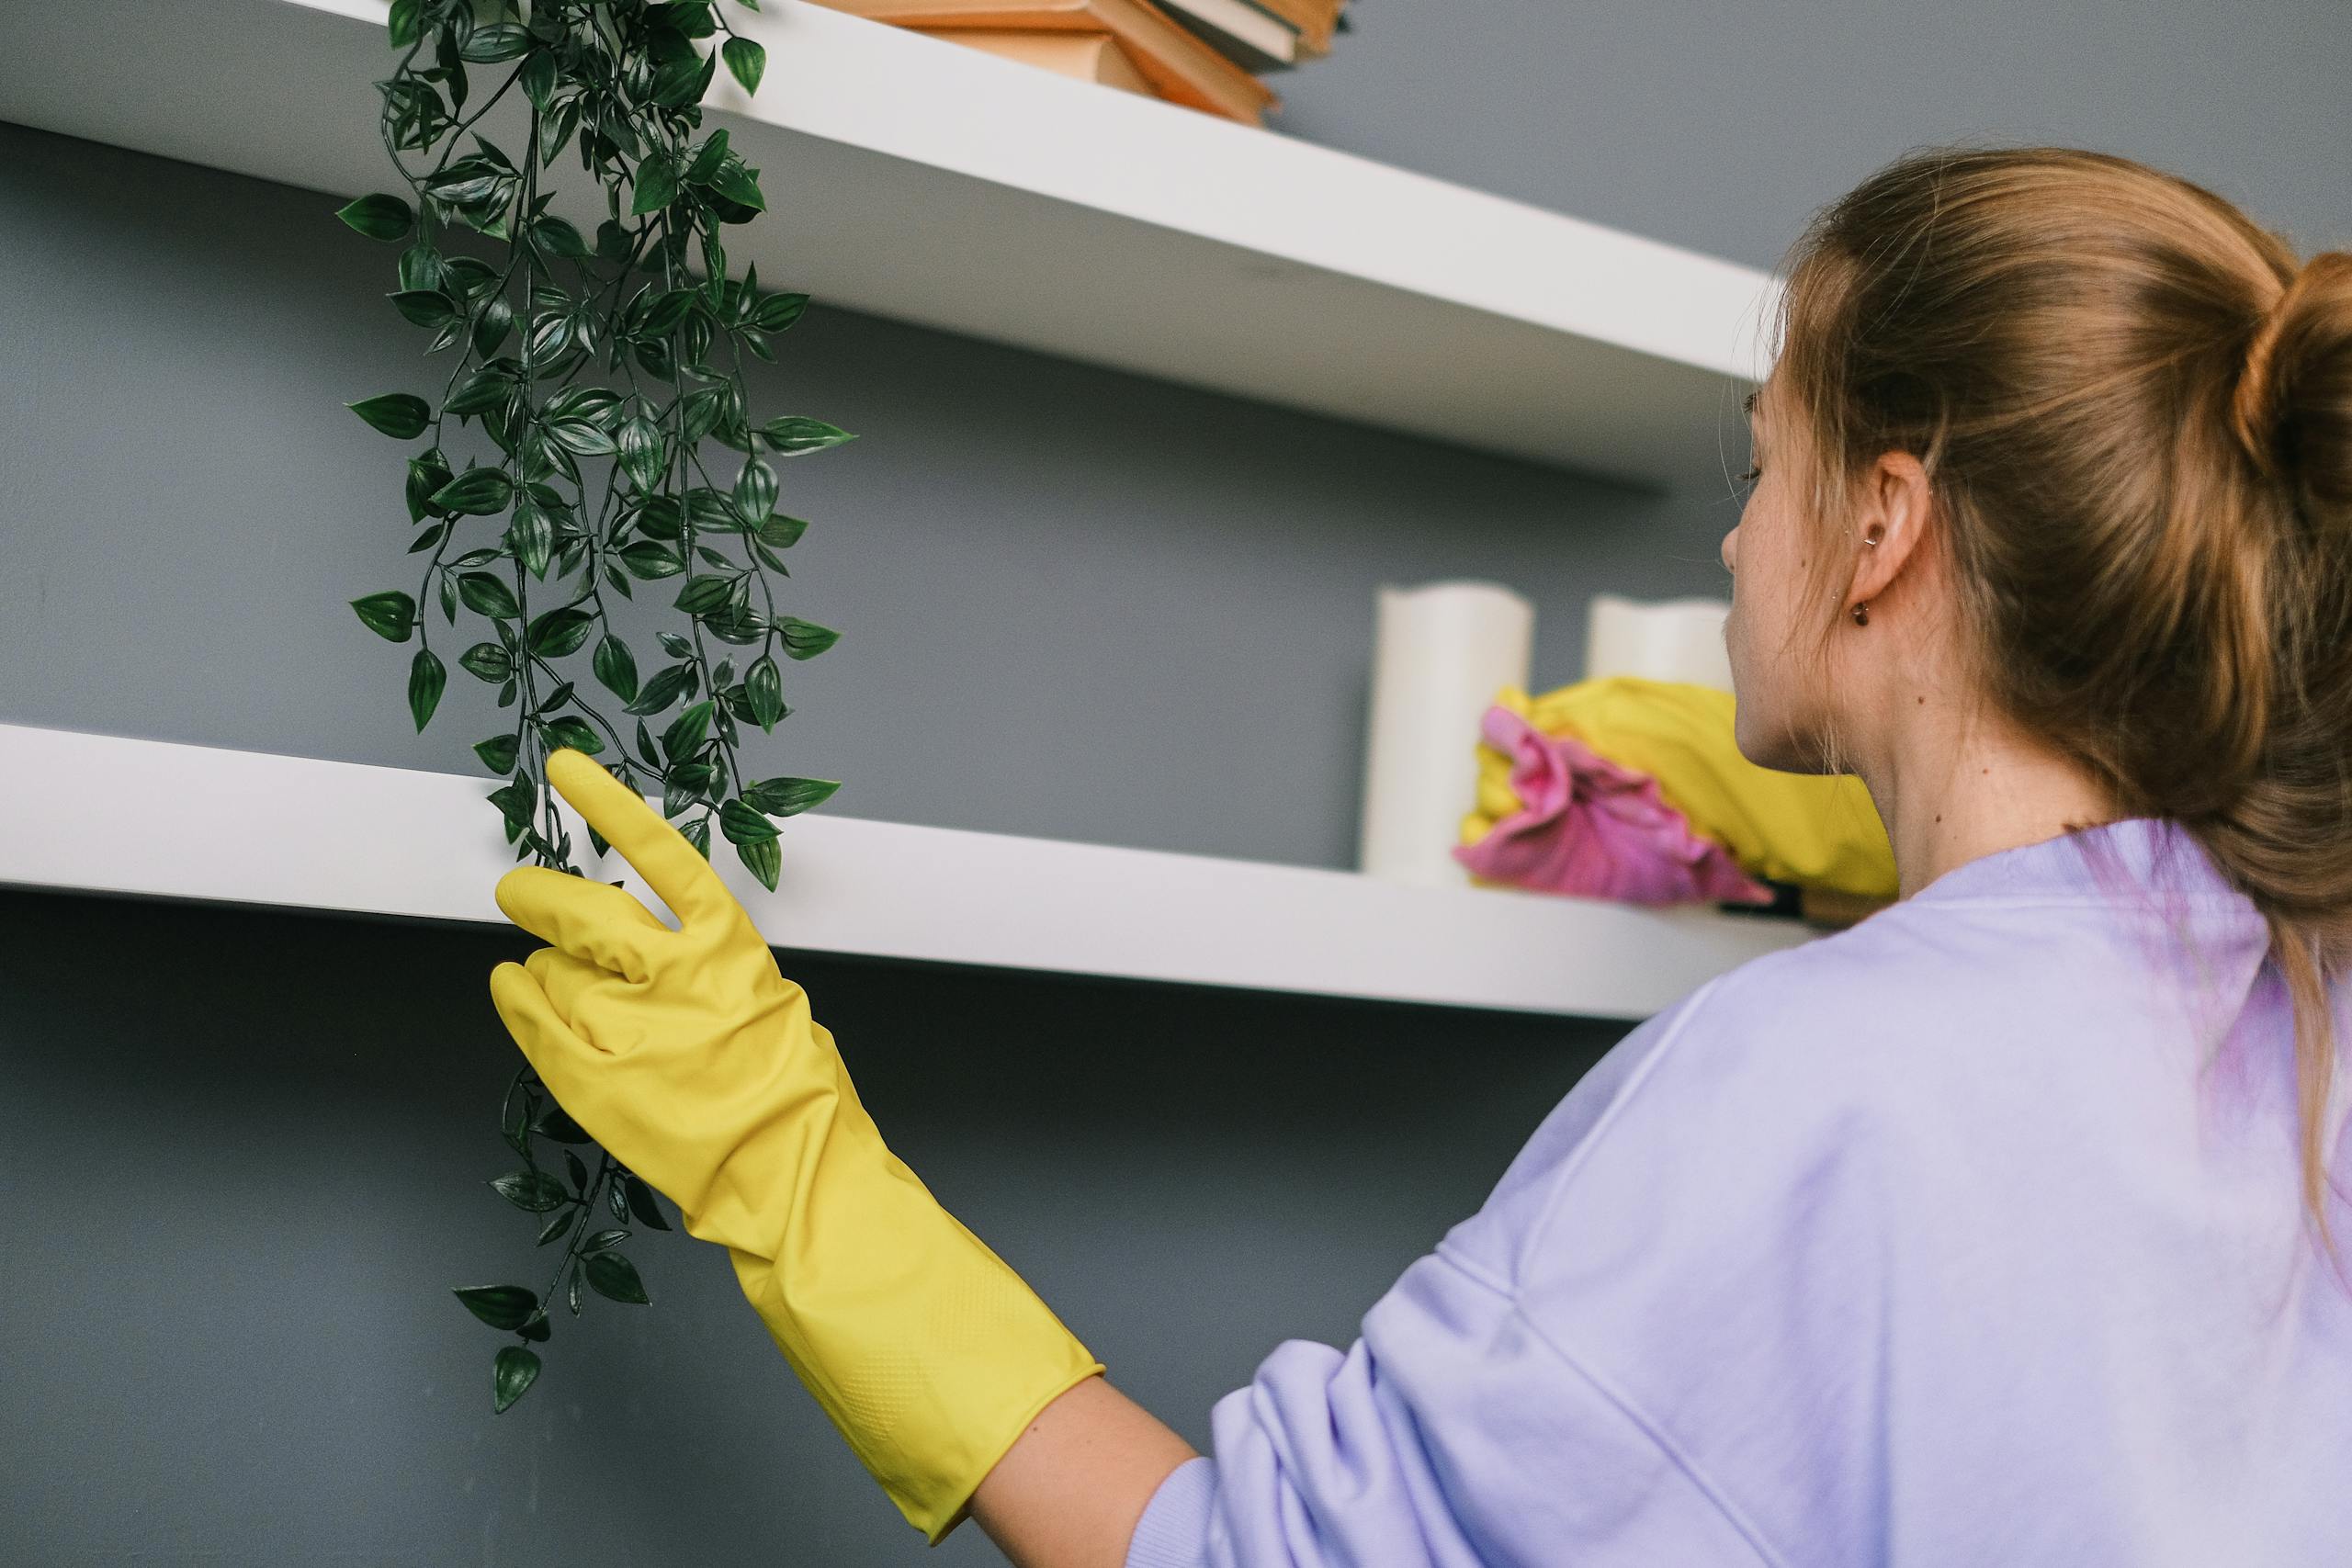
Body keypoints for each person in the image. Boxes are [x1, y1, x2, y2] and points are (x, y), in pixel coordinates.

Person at [485, 144, 2352, 1566]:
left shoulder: (1807, 1085)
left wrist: (786, 1164)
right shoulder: (2294, 993)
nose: (1727, 547)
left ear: (1880, 522)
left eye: (1761, 466)